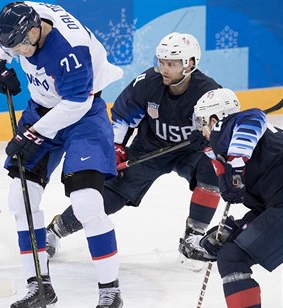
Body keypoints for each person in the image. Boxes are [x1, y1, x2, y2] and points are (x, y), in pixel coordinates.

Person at [0, 2, 125, 308]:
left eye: (18, 46)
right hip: (42, 110)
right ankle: (39, 286)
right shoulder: (27, 16)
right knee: (21, 200)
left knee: (87, 203)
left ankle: (110, 290)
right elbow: (7, 41)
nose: (17, 51)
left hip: (82, 117)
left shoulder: (70, 50)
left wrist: (33, 135)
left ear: (35, 32)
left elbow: (76, 104)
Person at [44, 32, 223, 271]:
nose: (164, 68)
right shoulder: (148, 83)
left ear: (190, 64)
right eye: (161, 62)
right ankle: (55, 231)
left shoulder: (209, 92)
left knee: (212, 172)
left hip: (190, 151)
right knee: (111, 194)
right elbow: (121, 120)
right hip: (150, 148)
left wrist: (210, 141)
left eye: (171, 64)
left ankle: (193, 239)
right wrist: (116, 148)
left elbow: (222, 131)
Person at [182, 88, 282, 308]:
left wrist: (235, 164)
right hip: (276, 205)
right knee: (230, 252)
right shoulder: (231, 150)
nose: (201, 129)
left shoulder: (236, 124)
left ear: (215, 119)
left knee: (232, 257)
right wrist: (232, 230)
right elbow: (263, 208)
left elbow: (254, 119)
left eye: (202, 123)